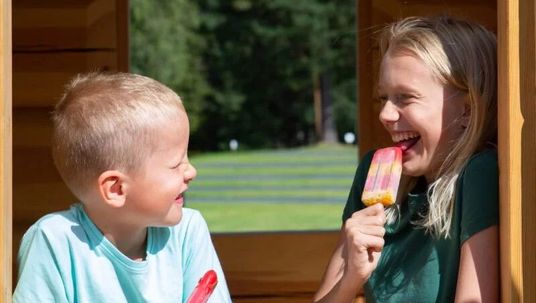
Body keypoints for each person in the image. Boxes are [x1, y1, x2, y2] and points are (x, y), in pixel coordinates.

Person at [313, 15, 498, 303]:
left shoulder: (478, 176)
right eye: (383, 98)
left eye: (406, 97)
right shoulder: (371, 171)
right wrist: (351, 279)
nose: (385, 115)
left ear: (467, 110)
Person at [14, 72, 232, 303]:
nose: (191, 172)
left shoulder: (187, 231)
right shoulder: (55, 240)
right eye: (176, 164)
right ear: (116, 189)